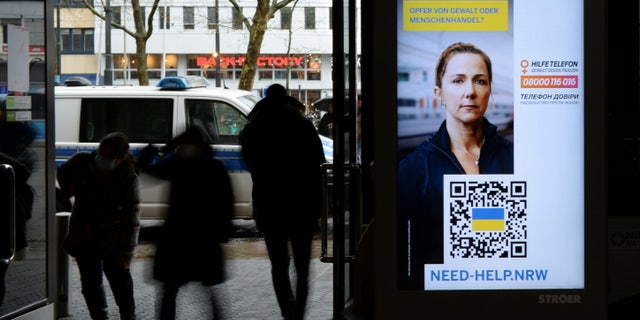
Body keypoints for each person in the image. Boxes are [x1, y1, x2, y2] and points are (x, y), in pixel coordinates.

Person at [397, 42, 514, 289]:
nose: (470, 91)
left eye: (480, 81)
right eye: (458, 80)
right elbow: (408, 254)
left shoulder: (515, 157)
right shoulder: (414, 168)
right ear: (439, 93)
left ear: (489, 90)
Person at [239, 84, 326, 320]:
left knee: (278, 265)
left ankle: (287, 311)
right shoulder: (303, 125)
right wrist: (319, 208)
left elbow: (250, 162)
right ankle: (299, 313)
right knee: (302, 266)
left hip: (270, 204)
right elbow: (318, 165)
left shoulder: (253, 128)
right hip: (301, 204)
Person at [137, 125, 234, 320]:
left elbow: (148, 169)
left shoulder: (178, 164)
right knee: (205, 290)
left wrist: (161, 148)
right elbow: (227, 202)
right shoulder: (212, 166)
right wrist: (223, 232)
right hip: (202, 240)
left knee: (170, 291)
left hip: (178, 240)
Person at [57, 132, 140, 320]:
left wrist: (126, 254)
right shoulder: (82, 161)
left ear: (120, 158)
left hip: (114, 240)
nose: (102, 158)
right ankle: (99, 317)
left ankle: (129, 316)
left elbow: (132, 218)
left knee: (121, 284)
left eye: (108, 156)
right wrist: (70, 189)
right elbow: (62, 172)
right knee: (91, 285)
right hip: (84, 238)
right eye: (101, 152)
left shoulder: (128, 175)